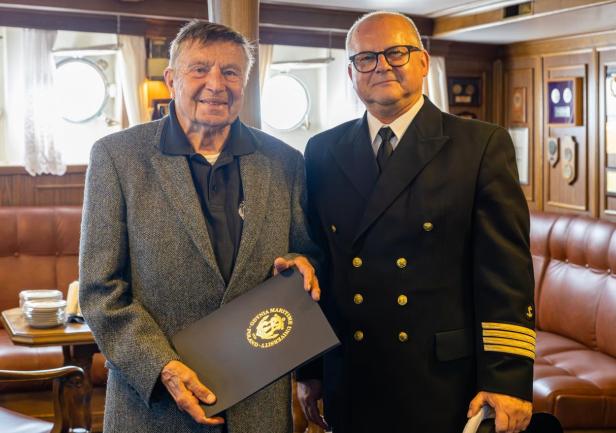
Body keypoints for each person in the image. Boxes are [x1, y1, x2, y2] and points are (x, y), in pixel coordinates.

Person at [296, 11, 535, 433]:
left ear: (423, 62)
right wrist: (311, 369)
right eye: (366, 58)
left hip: (440, 381)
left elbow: (505, 275)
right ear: (351, 74)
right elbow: (321, 267)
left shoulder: (479, 145)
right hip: (352, 373)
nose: (382, 66)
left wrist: (507, 379)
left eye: (396, 53)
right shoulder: (322, 151)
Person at [79, 20, 320, 433]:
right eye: (200, 69)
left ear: (245, 83)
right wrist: (162, 366)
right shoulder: (117, 158)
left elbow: (306, 252)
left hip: (258, 408)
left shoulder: (285, 162)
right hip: (154, 409)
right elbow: (100, 290)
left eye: (230, 72)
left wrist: (302, 263)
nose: (216, 84)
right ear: (171, 79)